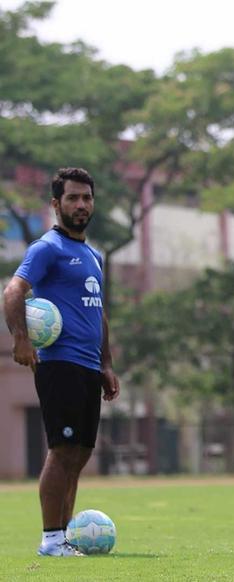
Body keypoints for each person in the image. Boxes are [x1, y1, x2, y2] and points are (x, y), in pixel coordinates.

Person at [2, 167, 120, 557]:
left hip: (88, 367)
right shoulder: (47, 248)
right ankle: (51, 539)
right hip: (60, 363)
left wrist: (105, 363)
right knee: (62, 451)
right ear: (56, 204)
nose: (81, 204)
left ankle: (64, 537)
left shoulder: (93, 255)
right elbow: (14, 290)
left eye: (86, 197)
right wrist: (20, 339)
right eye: (72, 198)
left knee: (81, 453)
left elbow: (97, 311)